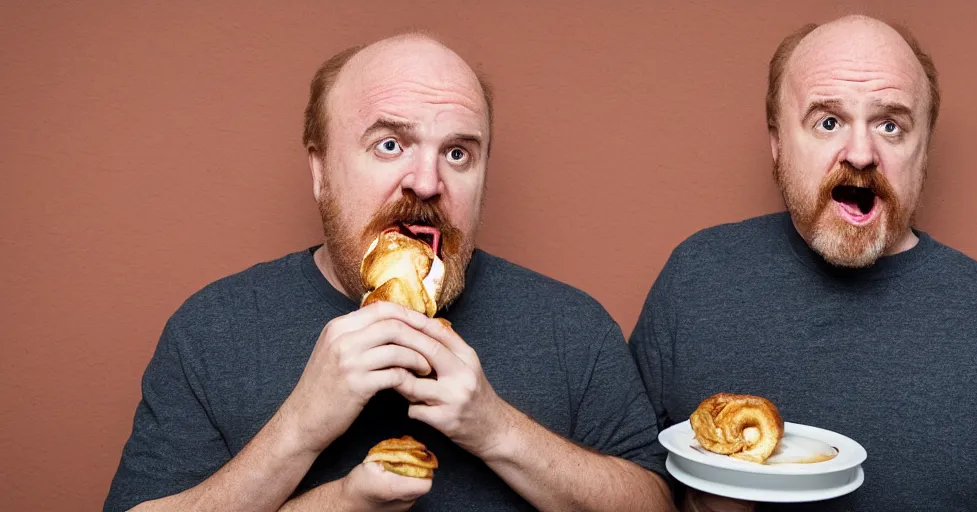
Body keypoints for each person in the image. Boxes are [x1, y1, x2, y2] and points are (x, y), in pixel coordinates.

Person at [104, 33, 673, 512]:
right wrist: (300, 432)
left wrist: (496, 428)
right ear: (320, 169)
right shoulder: (214, 329)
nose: (426, 182)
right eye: (390, 144)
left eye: (457, 153)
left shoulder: (569, 325)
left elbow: (654, 501)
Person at [629, 15, 977, 512]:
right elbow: (626, 485)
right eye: (828, 122)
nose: (860, 153)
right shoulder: (697, 278)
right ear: (776, 144)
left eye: (890, 125)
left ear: (925, 150)